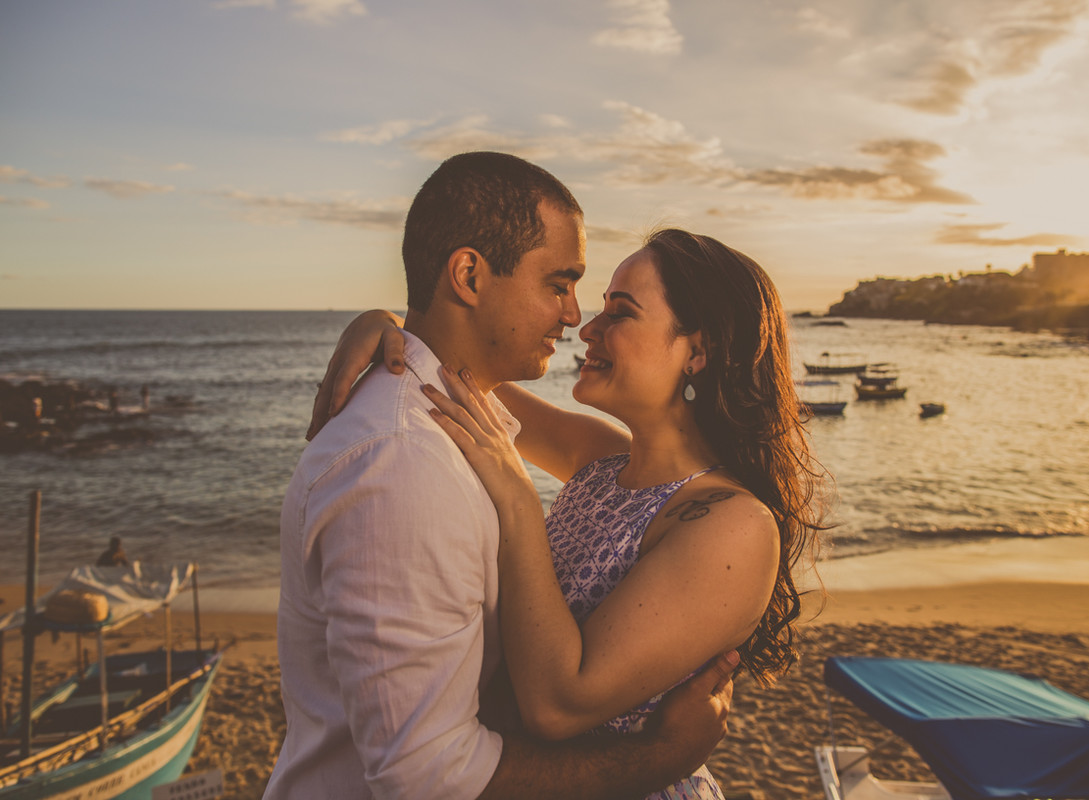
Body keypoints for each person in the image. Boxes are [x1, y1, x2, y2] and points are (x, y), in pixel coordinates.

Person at [265, 152, 736, 800]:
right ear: (468, 275)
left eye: (617, 311)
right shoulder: (405, 462)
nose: (578, 321)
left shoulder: (707, 511)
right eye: (560, 285)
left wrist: (399, 326)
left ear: (697, 352)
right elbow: (429, 775)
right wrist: (665, 756)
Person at [312, 228, 826, 798]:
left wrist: (517, 498)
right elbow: (459, 374)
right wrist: (386, 326)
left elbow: (558, 706)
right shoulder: (601, 458)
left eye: (620, 312)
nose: (587, 329)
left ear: (697, 353)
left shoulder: (732, 524)